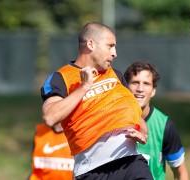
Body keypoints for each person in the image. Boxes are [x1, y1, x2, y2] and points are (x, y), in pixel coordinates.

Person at [40, 22, 152, 180]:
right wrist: (84, 87)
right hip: (91, 170)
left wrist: (141, 133)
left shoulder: (117, 75)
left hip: (130, 162)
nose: (115, 53)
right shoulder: (61, 77)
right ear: (90, 44)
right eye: (110, 46)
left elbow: (138, 119)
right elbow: (50, 117)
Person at [124, 61, 189, 180]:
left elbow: (181, 172)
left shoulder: (164, 125)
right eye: (135, 83)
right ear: (125, 87)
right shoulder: (112, 120)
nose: (140, 89)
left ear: (153, 91)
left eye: (146, 84)